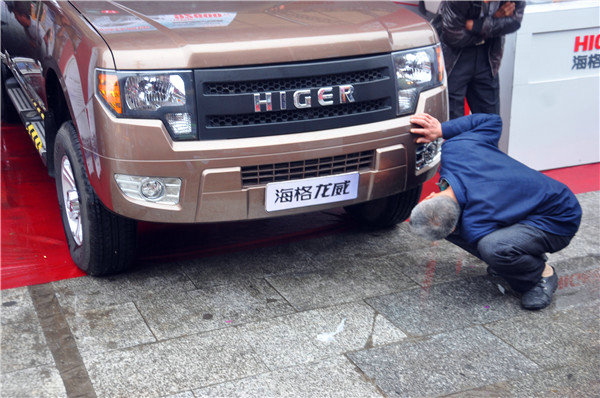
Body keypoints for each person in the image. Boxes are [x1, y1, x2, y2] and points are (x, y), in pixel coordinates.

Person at [407, 113, 582, 310]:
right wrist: (442, 130)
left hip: (558, 218)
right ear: (430, 196)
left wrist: (503, 261)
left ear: (429, 196)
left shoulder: (476, 223)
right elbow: (491, 120)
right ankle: (519, 257)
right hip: (542, 200)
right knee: (437, 223)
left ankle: (539, 275)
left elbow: (480, 239)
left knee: (493, 249)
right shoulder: (456, 149)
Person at [437, 1, 525, 119]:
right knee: (454, 123)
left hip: (488, 57)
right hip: (454, 59)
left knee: (489, 121)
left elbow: (514, 22)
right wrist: (494, 20)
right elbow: (454, 36)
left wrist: (477, 25)